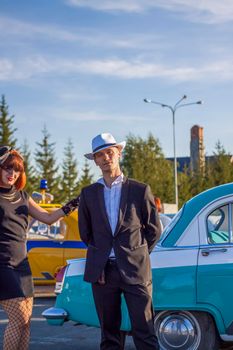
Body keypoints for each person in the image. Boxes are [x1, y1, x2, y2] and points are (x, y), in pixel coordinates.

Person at [78, 133, 161, 350]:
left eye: (110, 152)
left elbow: (153, 230)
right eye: (100, 155)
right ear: (95, 160)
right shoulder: (88, 194)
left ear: (119, 154)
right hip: (104, 274)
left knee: (145, 332)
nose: (106, 158)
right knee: (109, 336)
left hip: (136, 270)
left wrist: (136, 255)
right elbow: (85, 234)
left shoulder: (140, 190)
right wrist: (102, 257)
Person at [0, 146, 78, 350]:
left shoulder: (23, 196)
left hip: (22, 265)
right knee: (17, 319)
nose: (12, 174)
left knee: (26, 322)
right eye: (7, 168)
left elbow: (49, 218)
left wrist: (74, 203)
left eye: (16, 170)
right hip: (2, 266)